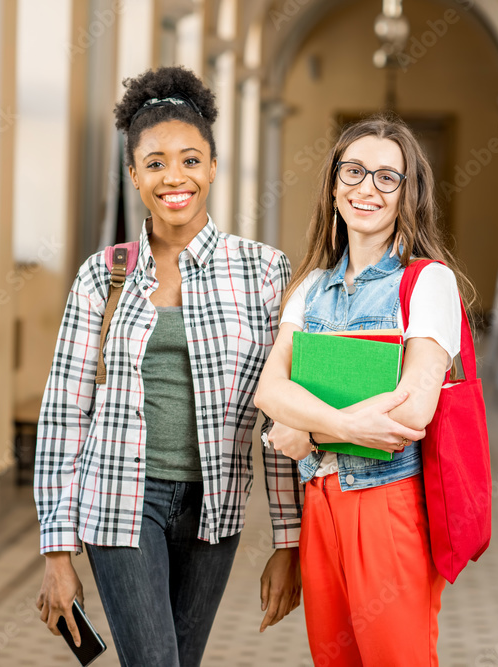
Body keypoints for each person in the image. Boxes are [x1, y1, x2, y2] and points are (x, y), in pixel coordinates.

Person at [34, 66, 303, 667]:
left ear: (211, 166)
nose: (172, 177)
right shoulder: (104, 274)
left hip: (217, 507)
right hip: (120, 499)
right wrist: (57, 552)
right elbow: (64, 409)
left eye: (189, 160)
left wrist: (290, 539)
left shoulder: (261, 271)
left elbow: (279, 415)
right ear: (134, 175)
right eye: (154, 163)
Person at [254, 116, 476, 666]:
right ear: (333, 185)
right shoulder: (309, 288)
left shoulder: (427, 282)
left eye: (386, 177)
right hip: (319, 505)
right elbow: (268, 390)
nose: (366, 188)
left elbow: (412, 409)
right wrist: (351, 426)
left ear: (408, 194)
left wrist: (306, 426)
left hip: (389, 506)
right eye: (353, 171)